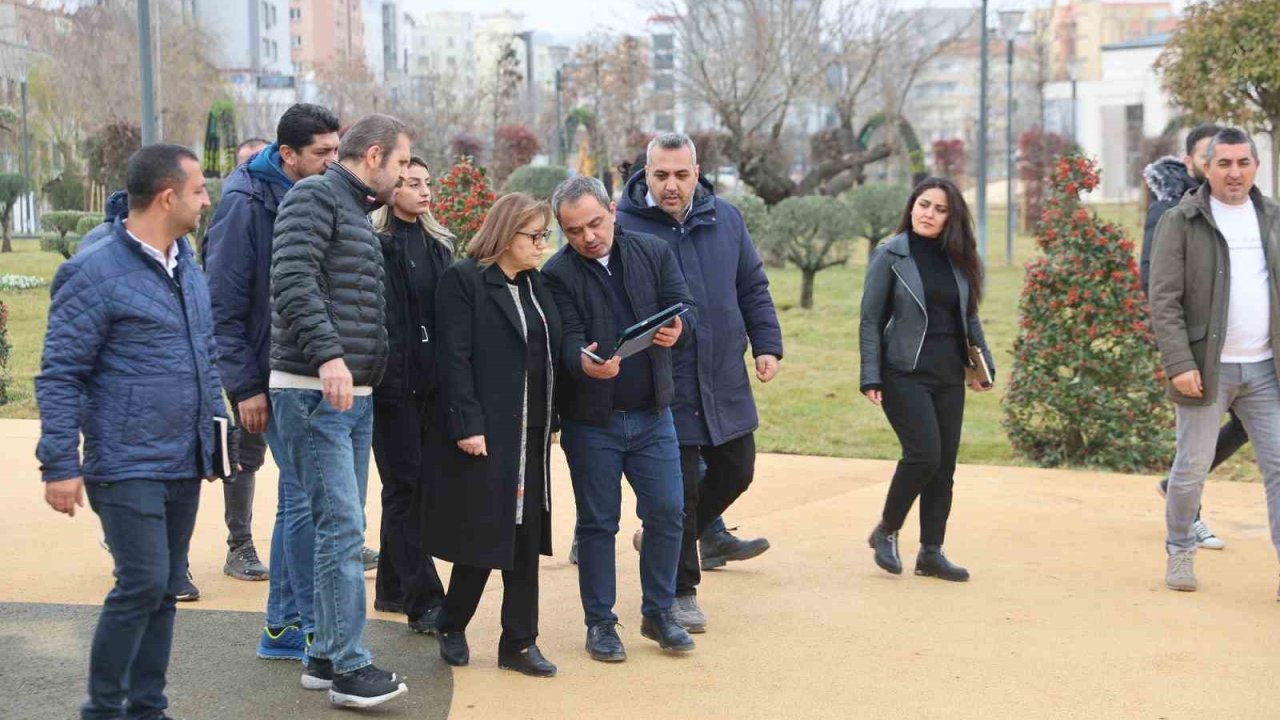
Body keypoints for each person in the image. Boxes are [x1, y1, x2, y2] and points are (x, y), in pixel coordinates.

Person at [37, 144, 223, 720]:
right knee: (141, 583)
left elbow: (205, 355)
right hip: (124, 462)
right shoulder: (93, 270)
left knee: (164, 589)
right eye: (198, 191)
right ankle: (104, 709)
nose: (206, 200)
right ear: (168, 197)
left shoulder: (187, 263)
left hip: (181, 458)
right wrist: (60, 464)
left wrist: (215, 439)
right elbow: (60, 374)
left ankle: (148, 709)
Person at [270, 113, 411, 708]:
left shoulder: (354, 209)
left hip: (350, 394)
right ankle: (349, 667)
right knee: (343, 528)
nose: (406, 175)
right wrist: (329, 356)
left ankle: (326, 656)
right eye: (403, 163)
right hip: (314, 389)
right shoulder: (314, 194)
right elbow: (292, 278)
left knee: (340, 526)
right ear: (374, 154)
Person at [616, 132, 783, 632]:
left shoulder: (725, 218)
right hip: (665, 381)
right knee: (682, 489)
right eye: (661, 175)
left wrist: (767, 343)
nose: (671, 186)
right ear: (645, 174)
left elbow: (752, 285)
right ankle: (682, 591)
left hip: (723, 373)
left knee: (738, 467)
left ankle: (673, 534)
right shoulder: (624, 227)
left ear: (697, 171)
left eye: (681, 175)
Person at [203, 103, 342, 659]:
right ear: (287, 155)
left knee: (299, 498)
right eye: (322, 154)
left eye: (338, 150)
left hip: (303, 371)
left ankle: (284, 626)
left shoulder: (314, 190)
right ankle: (303, 626)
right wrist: (245, 388)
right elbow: (223, 306)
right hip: (269, 376)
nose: (333, 162)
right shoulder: (244, 204)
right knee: (310, 499)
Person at [543, 176, 697, 662]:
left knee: (669, 512)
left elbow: (685, 308)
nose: (588, 236)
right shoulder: (556, 274)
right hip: (592, 422)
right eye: (573, 231)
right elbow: (564, 339)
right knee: (597, 525)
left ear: (611, 210)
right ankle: (600, 624)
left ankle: (658, 612)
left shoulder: (652, 251)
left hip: (654, 414)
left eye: (594, 223)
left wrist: (678, 328)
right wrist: (582, 361)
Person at [429, 193, 562, 678]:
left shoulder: (535, 285)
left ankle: (520, 643)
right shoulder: (464, 281)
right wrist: (468, 424)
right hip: (487, 430)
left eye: (545, 235)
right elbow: (454, 359)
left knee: (525, 538)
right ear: (506, 235)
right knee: (487, 533)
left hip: (533, 428)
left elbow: (550, 351)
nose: (542, 245)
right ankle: (451, 621)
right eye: (535, 236)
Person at [1149, 127, 1280, 595]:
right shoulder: (1182, 220)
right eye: (1223, 163)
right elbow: (1164, 300)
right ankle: (1181, 549)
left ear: (1256, 167)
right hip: (1206, 368)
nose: (1234, 172)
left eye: (1243, 163)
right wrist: (1180, 363)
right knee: (1190, 469)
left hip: (1267, 370)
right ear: (1206, 167)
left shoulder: (1272, 217)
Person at [859, 177, 994, 582]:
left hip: (949, 373)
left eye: (939, 209)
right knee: (924, 455)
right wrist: (870, 374)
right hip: (903, 372)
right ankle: (886, 529)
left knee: (944, 466)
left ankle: (931, 552)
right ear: (911, 206)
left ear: (952, 218)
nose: (928, 214)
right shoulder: (890, 255)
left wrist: (983, 363)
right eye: (923, 204)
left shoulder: (959, 258)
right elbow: (870, 319)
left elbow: (968, 317)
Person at [369, 156, 452, 633]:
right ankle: (424, 600)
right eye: (411, 183)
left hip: (431, 386)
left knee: (407, 488)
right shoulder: (375, 245)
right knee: (406, 489)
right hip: (392, 388)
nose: (423, 192)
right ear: (390, 190)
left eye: (426, 183)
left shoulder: (437, 246)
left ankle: (392, 587)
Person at [1143, 123, 1230, 551]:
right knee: (1192, 437)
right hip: (1187, 341)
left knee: (1243, 428)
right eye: (1207, 157)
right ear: (1191, 161)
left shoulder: (1236, 209)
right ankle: (1187, 518)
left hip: (1233, 343)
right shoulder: (1169, 210)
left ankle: (1173, 486)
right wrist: (1173, 348)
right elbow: (1153, 278)